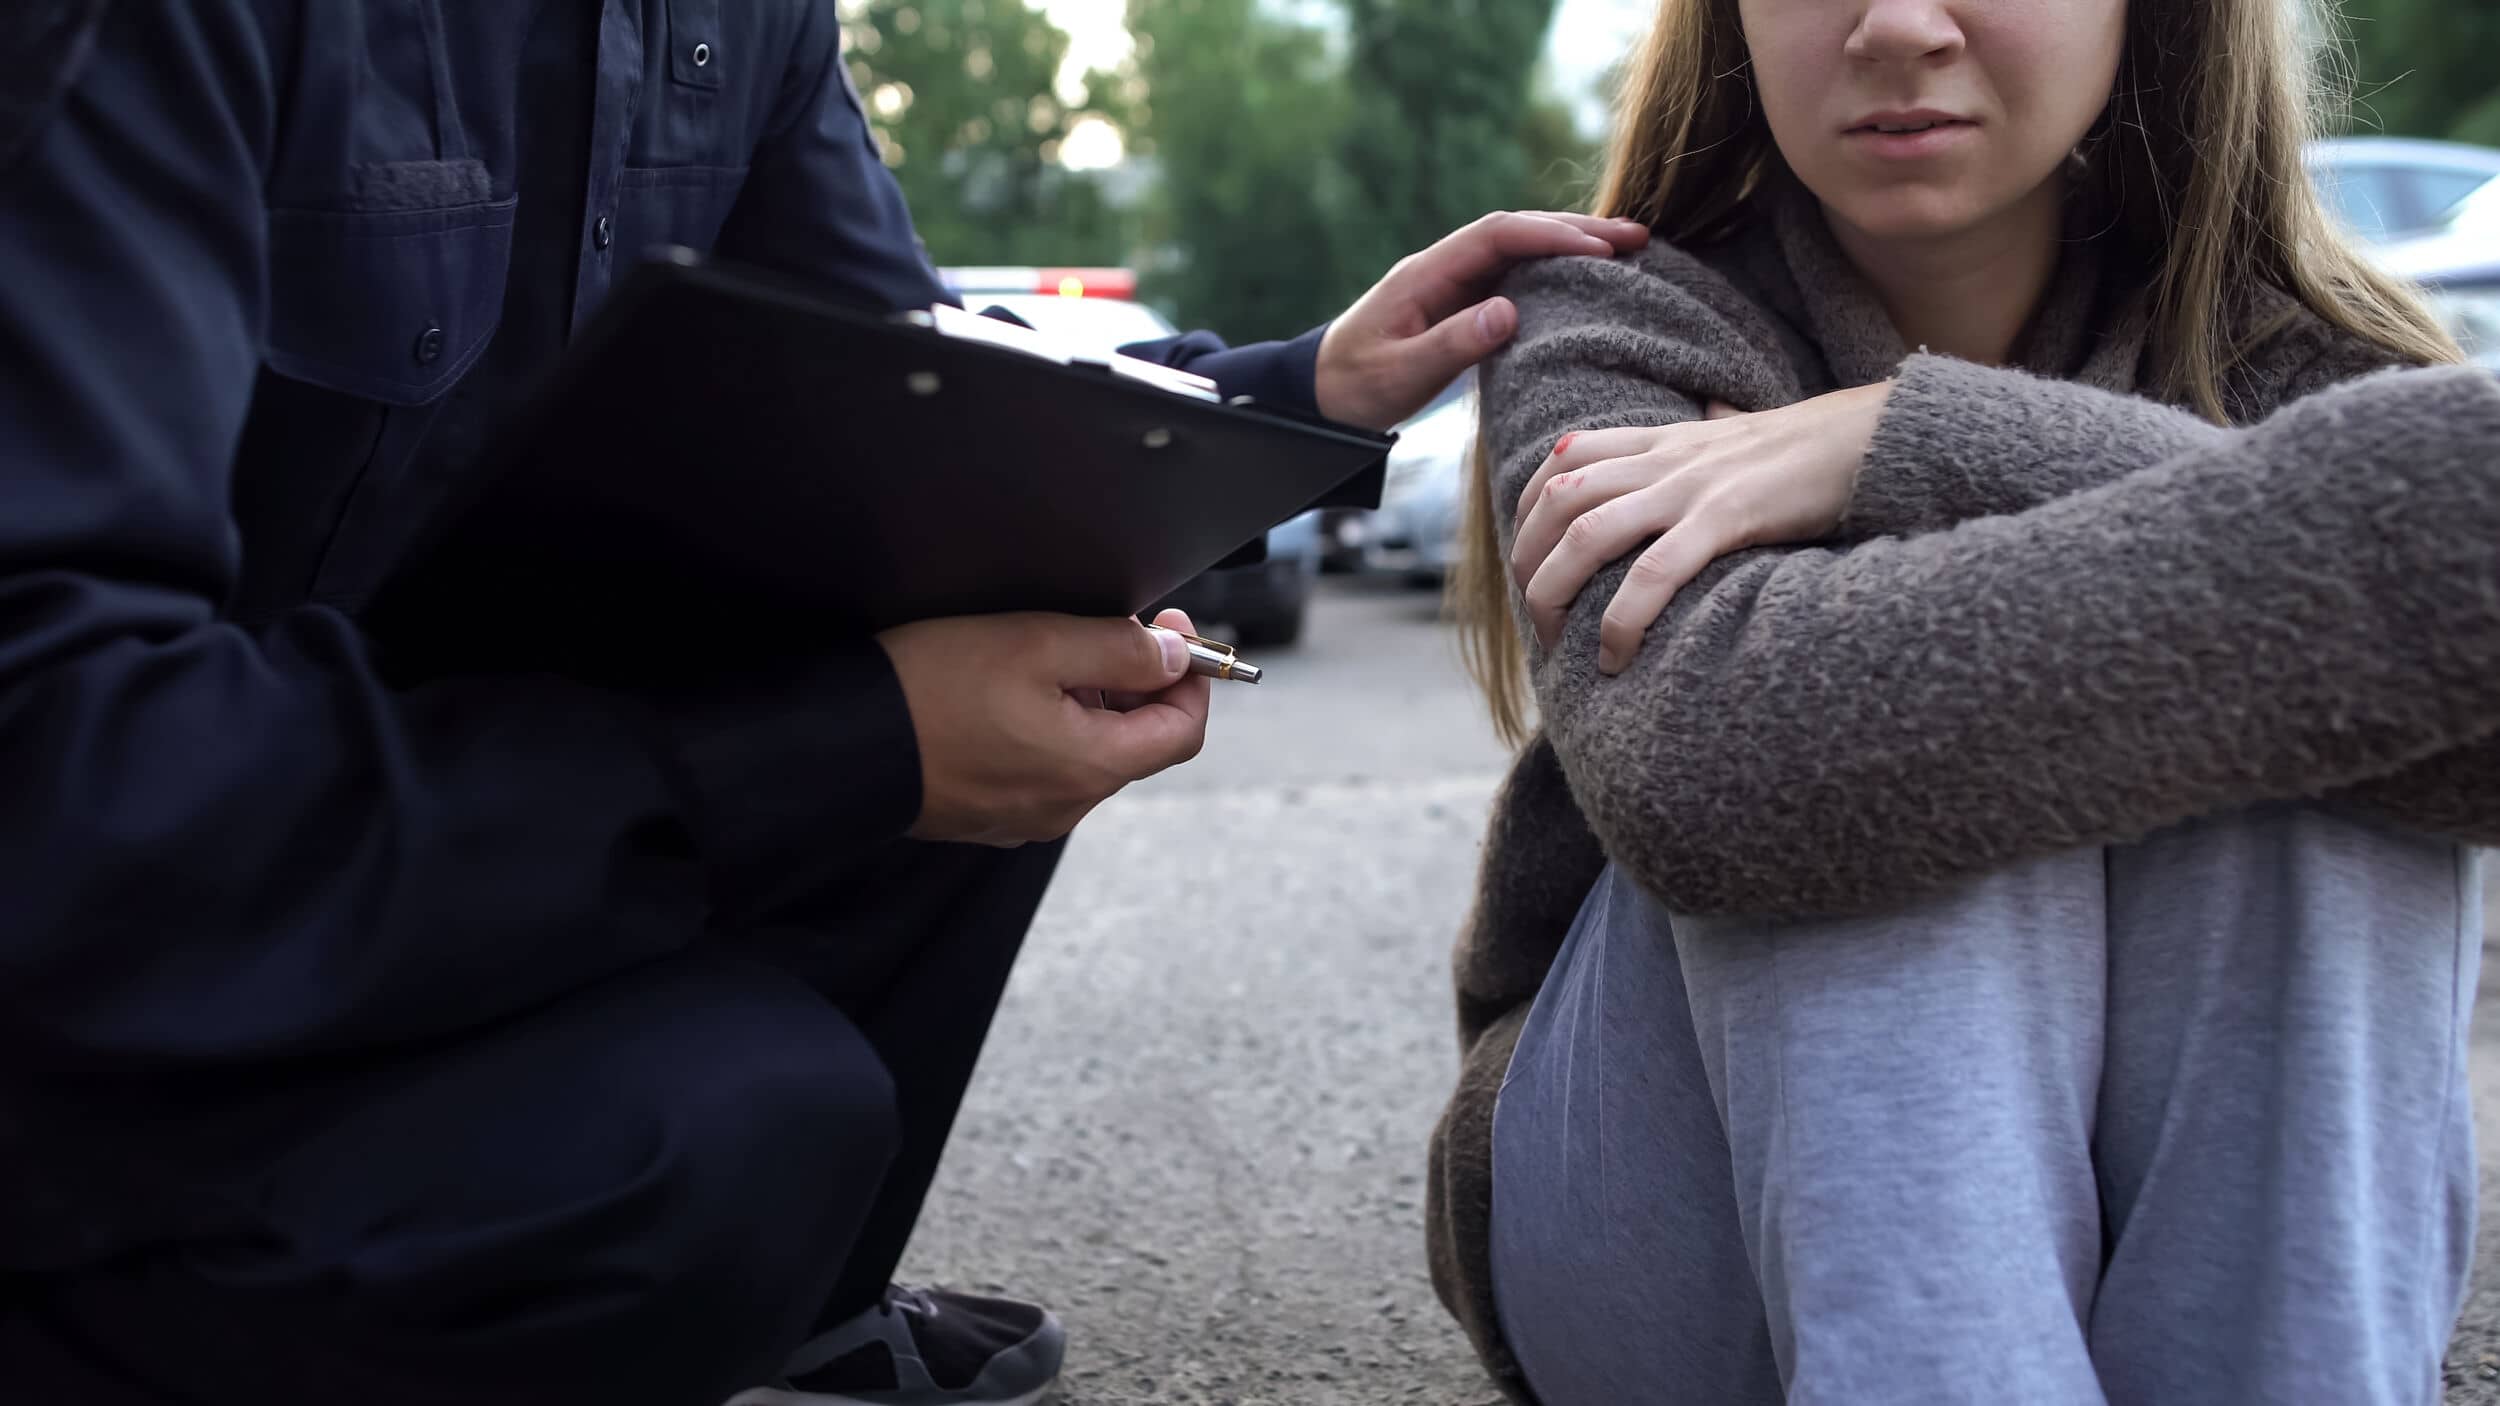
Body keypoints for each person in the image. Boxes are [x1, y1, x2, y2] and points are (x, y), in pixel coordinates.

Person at [0, 4, 1651, 1405]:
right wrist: (826, 749)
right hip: (126, 955)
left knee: (1032, 586)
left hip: (439, 854)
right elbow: (61, 772)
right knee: (727, 1134)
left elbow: (919, 390)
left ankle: (794, 1299)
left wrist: (1299, 390)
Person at [1421, 0, 2500, 1401]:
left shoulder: (2298, 351)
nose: (1898, 25)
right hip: (1663, 1244)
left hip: (2192, 1250)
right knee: (1880, 742)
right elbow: (1714, 775)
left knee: (2301, 714)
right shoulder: (1614, 307)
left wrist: (1917, 438)